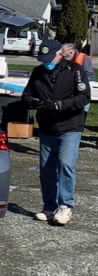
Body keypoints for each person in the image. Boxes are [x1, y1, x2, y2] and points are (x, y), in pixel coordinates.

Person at [22, 39, 90, 226]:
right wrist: (35, 103)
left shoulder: (75, 71)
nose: (46, 62)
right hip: (47, 127)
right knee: (47, 169)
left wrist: (61, 105)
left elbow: (84, 97)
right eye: (43, 59)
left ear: (60, 54)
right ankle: (49, 206)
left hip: (70, 126)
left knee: (65, 164)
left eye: (49, 58)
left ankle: (65, 206)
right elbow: (26, 96)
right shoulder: (38, 73)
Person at [62, 42, 94, 113]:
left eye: (63, 53)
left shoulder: (84, 58)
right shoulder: (66, 61)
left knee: (83, 110)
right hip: (69, 90)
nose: (62, 56)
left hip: (83, 88)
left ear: (70, 53)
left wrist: (79, 83)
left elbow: (90, 76)